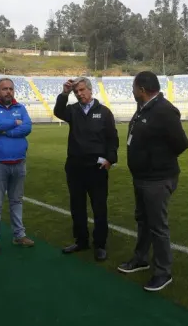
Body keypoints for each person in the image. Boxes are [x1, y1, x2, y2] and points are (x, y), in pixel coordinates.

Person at [117, 71, 188, 292]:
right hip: (142, 177)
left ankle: (163, 272)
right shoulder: (143, 108)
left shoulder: (165, 111)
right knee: (143, 220)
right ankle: (141, 258)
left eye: (133, 87)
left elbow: (181, 144)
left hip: (158, 178)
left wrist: (156, 159)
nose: (132, 91)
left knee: (158, 226)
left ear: (142, 89)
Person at [53, 76, 119, 261]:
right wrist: (64, 94)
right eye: (76, 92)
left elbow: (112, 139)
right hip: (75, 168)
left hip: (96, 168)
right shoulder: (72, 110)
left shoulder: (104, 112)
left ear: (90, 90)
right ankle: (81, 240)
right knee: (77, 207)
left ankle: (100, 245)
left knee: (99, 207)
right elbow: (58, 111)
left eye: (82, 90)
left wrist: (110, 160)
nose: (79, 94)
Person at [0, 78, 35, 256]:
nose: (8, 92)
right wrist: (14, 123)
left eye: (11, 89)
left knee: (17, 201)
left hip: (19, 162)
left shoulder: (20, 108)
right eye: (4, 89)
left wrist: (5, 130)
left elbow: (27, 127)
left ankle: (19, 235)